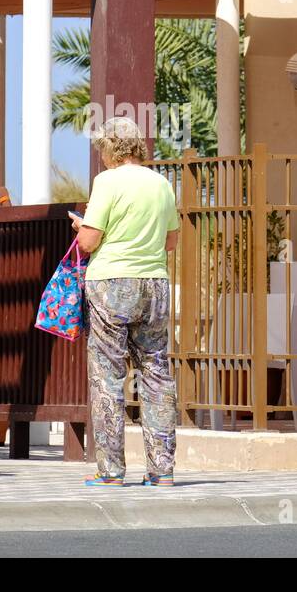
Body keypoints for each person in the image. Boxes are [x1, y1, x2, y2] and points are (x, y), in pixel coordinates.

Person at [73, 117, 179, 487]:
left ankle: (112, 471)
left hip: (111, 282)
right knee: (157, 374)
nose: (100, 157)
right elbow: (170, 242)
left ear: (112, 148)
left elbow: (88, 242)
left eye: (102, 149)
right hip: (156, 285)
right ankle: (162, 470)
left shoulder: (108, 182)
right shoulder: (162, 183)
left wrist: (80, 226)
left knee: (107, 377)